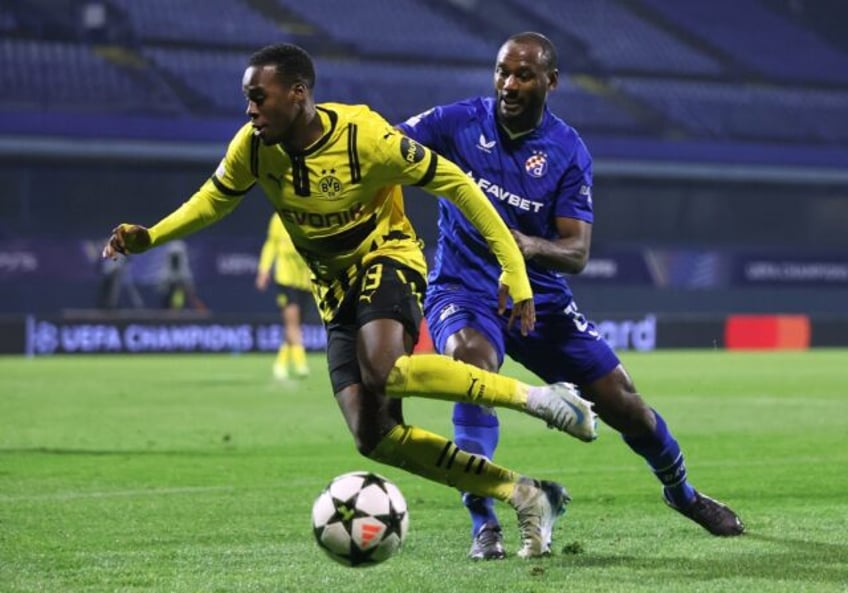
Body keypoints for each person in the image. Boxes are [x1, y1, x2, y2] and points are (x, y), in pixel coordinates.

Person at [102, 43, 601, 558]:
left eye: (258, 97)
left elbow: (458, 185)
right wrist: (151, 237)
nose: (250, 109)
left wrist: (514, 269)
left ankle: (541, 400)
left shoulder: (366, 136)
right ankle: (525, 494)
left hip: (388, 258)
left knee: (385, 368)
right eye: (247, 99)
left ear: (297, 95)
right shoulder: (253, 146)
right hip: (332, 288)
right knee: (375, 435)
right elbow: (212, 199)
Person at [396, 32, 745, 560]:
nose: (509, 85)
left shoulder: (566, 151)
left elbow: (577, 252)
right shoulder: (457, 121)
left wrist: (529, 245)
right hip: (463, 288)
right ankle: (483, 521)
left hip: (542, 301)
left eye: (524, 75)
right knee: (472, 368)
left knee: (624, 403)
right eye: (502, 73)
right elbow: (384, 144)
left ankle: (684, 494)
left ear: (550, 82)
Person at [256, 213, 314, 380]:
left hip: (305, 280)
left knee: (295, 324)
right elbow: (271, 244)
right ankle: (300, 363)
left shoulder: (309, 217)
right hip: (285, 278)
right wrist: (263, 270)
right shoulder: (278, 218)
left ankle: (280, 364)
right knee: (292, 321)